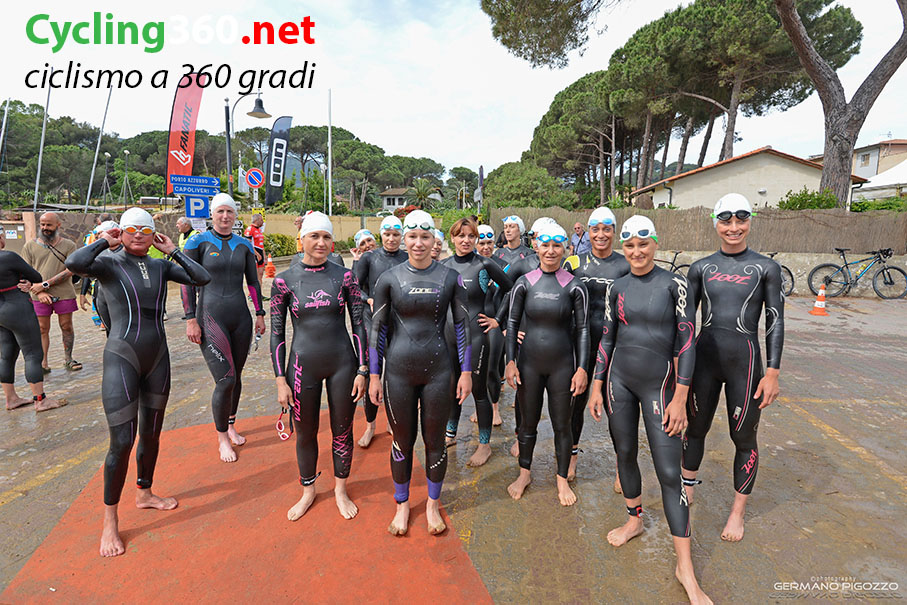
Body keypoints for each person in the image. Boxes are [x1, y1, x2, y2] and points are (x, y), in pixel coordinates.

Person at [66, 207, 211, 558]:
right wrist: (105, 241)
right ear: (121, 232)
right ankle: (110, 520)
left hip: (158, 358)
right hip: (122, 358)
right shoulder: (108, 264)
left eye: (145, 231)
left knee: (152, 433)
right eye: (131, 230)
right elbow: (74, 263)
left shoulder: (161, 266)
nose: (138, 236)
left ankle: (144, 493)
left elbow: (201, 277)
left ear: (153, 235)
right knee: (122, 441)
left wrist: (172, 250)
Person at [587, 215, 711, 605]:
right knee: (624, 453)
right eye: (630, 245)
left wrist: (680, 397)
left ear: (655, 243)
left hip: (661, 386)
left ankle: (685, 568)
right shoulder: (617, 287)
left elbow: (687, 342)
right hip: (619, 383)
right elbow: (608, 337)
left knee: (670, 473)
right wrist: (596, 384)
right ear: (623, 247)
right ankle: (634, 520)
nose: (637, 252)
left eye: (644, 244)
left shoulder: (675, 284)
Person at [682, 193, 784, 543]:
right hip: (704, 361)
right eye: (726, 221)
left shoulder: (766, 268)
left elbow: (775, 321)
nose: (734, 228)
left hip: (746, 362)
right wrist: (679, 367)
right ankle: (687, 490)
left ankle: (737, 512)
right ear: (716, 224)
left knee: (743, 436)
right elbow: (686, 323)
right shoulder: (700, 268)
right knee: (695, 428)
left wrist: (772, 372)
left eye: (741, 220)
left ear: (750, 221)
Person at [368, 209, 472, 536]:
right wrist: (374, 375)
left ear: (433, 239)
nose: (418, 243)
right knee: (402, 441)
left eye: (424, 237)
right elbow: (377, 330)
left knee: (434, 441)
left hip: (439, 371)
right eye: (412, 236)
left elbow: (463, 327)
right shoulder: (389, 279)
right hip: (398, 372)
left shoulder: (450, 278)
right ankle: (401, 505)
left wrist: (466, 372)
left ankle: (431, 504)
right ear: (404, 238)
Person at [271, 211, 368, 521]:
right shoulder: (284, 281)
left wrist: (363, 369)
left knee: (342, 430)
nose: (321, 242)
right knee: (305, 432)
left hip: (343, 364)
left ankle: (340, 489)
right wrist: (280, 380)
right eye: (315, 236)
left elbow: (358, 325)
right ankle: (308, 491)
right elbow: (276, 334)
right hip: (302, 367)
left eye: (327, 237)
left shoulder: (345, 277)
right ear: (302, 240)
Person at [504, 220, 589, 506]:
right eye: (545, 245)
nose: (551, 251)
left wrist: (582, 368)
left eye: (557, 246)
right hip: (529, 364)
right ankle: (524, 474)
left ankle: (561, 479)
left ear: (565, 249)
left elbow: (583, 330)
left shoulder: (575, 286)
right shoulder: (524, 283)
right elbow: (512, 323)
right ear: (537, 247)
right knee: (527, 423)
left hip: (562, 366)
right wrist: (510, 361)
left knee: (562, 425)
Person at [182, 194, 266, 463]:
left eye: (229, 211)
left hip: (240, 318)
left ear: (235, 215)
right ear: (212, 214)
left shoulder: (244, 244)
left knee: (236, 376)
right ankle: (221, 439)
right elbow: (187, 281)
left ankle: (230, 425)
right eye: (220, 211)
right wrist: (190, 319)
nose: (225, 216)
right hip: (210, 317)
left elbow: (253, 282)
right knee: (225, 379)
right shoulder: (197, 242)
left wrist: (260, 313)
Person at [563, 207, 630, 485]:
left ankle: (621, 466)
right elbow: (555, 296)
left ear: (614, 232)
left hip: (615, 344)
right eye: (595, 229)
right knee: (574, 403)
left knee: (618, 406)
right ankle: (572, 456)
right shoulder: (574, 263)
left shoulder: (625, 264)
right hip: (580, 343)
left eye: (607, 229)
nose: (601, 234)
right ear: (588, 232)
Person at [442, 217, 513, 466]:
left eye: (471, 236)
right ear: (452, 238)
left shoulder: (484, 264)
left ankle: (484, 445)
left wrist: (498, 319)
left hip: (475, 336)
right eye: (461, 236)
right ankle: (450, 434)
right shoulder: (444, 266)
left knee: (479, 391)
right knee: (451, 386)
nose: (466, 240)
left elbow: (512, 289)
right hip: (448, 336)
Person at [353, 215, 407, 448]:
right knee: (373, 373)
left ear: (401, 236)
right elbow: (354, 288)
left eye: (396, 235)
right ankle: (370, 425)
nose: (391, 239)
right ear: (381, 235)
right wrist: (369, 300)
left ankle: (392, 421)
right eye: (387, 234)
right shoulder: (369, 258)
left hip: (399, 323)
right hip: (373, 322)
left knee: (395, 375)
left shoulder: (406, 257)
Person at [0, 229, 65, 411]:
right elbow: (37, 277)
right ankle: (40, 400)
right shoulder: (8, 257)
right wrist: (25, 282)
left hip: (1, 313)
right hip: (17, 307)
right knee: (33, 354)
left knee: (6, 355)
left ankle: (11, 399)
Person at [21, 212, 81, 372]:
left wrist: (45, 285)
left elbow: (71, 270)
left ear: (58, 225)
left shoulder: (69, 245)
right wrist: (39, 292)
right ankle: (43, 363)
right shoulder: (29, 246)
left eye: (49, 224)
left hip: (64, 293)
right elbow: (25, 272)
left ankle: (68, 359)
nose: (45, 228)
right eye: (42, 224)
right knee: (42, 328)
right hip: (38, 295)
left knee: (66, 326)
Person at [473, 224, 506, 427]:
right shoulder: (470, 265)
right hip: (473, 324)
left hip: (493, 323)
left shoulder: (503, 266)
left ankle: (494, 408)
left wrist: (502, 321)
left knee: (492, 368)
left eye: (489, 243)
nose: (486, 247)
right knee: (476, 371)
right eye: (482, 243)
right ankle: (480, 406)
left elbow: (512, 294)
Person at [79, 220, 120, 333]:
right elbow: (85, 270)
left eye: (100, 235)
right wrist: (82, 293)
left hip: (118, 294)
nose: (97, 239)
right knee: (109, 329)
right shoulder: (96, 252)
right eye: (97, 236)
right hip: (100, 291)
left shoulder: (124, 252)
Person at [245, 212, 266, 284]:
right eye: (261, 220)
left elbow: (261, 244)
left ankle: (259, 290)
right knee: (254, 276)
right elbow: (248, 244)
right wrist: (256, 254)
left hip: (260, 253)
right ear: (257, 220)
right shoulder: (250, 229)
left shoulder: (259, 230)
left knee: (260, 274)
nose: (263, 222)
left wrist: (264, 255)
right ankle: (253, 291)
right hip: (253, 254)